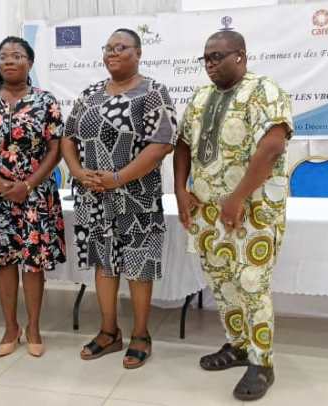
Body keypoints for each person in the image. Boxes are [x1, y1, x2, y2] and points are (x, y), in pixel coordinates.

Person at [174, 31, 293, 400]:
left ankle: (262, 363)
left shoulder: (264, 90)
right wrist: (180, 190)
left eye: (217, 56)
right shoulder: (200, 97)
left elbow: (272, 146)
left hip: (253, 212)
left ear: (240, 55)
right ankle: (238, 345)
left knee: (252, 285)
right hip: (208, 213)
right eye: (206, 58)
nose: (210, 64)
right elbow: (182, 144)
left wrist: (237, 198)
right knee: (222, 283)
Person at [61, 28, 177, 369]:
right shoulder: (89, 95)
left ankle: (141, 335)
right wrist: (78, 172)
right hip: (94, 196)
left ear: (138, 53)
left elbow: (162, 144)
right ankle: (109, 332)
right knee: (104, 263)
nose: (112, 52)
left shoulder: (153, 92)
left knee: (139, 266)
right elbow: (67, 137)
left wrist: (117, 178)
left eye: (121, 47)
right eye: (108, 47)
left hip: (137, 198)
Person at [0, 36, 66, 358]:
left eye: (17, 55)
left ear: (29, 63)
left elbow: (56, 148)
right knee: (3, 261)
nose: (9, 60)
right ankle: (11, 327)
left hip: (35, 193)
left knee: (33, 263)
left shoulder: (46, 101)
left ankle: (33, 327)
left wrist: (29, 184)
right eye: (4, 56)